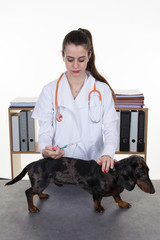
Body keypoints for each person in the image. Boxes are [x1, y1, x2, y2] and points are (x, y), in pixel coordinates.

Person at [32, 28, 119, 173]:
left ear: (89, 55)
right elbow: (45, 131)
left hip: (92, 169)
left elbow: (111, 130)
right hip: (59, 169)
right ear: (63, 56)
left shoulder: (102, 90)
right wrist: (45, 149)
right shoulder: (49, 90)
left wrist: (107, 154)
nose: (76, 65)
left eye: (81, 59)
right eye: (70, 59)